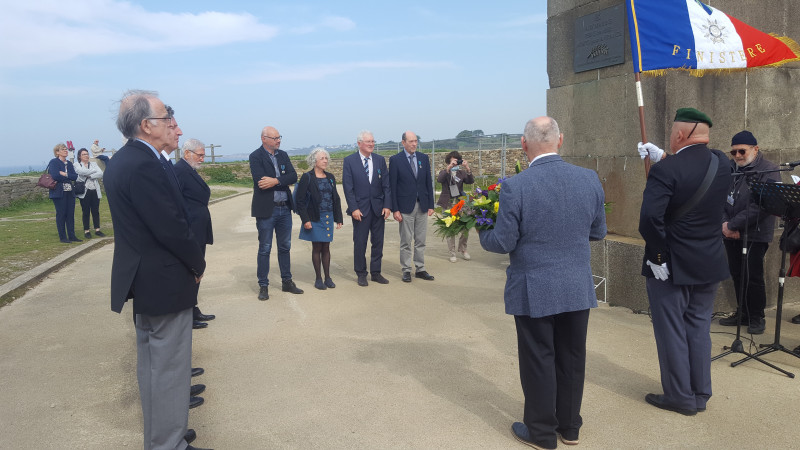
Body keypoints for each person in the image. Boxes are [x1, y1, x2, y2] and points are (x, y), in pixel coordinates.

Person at [479, 117, 606, 449]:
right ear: (560, 140)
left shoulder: (516, 186)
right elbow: (598, 231)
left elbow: (503, 242)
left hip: (534, 286)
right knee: (572, 357)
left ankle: (541, 432)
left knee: (539, 359)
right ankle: (570, 427)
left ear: (524, 144)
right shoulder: (588, 178)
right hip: (577, 284)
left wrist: (482, 232)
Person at [103, 90, 209, 450]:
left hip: (146, 280)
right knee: (167, 370)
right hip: (164, 279)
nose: (172, 124)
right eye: (166, 118)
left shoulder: (123, 160)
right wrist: (197, 263)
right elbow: (170, 226)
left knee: (153, 370)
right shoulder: (145, 163)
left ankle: (165, 434)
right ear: (146, 125)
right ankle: (168, 443)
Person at [637, 107, 732, 416]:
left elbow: (651, 219)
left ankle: (679, 397)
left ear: (678, 135)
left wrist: (658, 256)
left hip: (672, 265)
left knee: (672, 331)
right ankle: (700, 393)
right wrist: (666, 155)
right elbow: (694, 169)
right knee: (698, 328)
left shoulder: (666, 171)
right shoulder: (723, 164)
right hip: (709, 262)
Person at [718, 131, 779, 335]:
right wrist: (726, 225)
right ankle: (742, 312)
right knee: (737, 273)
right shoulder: (729, 168)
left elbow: (762, 206)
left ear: (755, 149)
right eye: (733, 151)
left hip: (755, 233)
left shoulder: (768, 170)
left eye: (741, 151)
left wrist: (734, 225)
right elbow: (720, 199)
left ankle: (756, 316)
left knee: (753, 275)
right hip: (730, 231)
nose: (737, 155)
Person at [249, 126, 303, 300]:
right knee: (265, 248)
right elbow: (261, 181)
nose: (278, 140)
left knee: (285, 246)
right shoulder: (255, 157)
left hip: (284, 208)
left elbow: (293, 176)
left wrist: (275, 180)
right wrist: (280, 180)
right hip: (267, 210)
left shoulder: (283, 155)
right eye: (275, 138)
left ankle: (287, 281)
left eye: (279, 137)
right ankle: (263, 285)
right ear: (264, 139)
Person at [174, 139, 216, 327]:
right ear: (187, 153)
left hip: (199, 227)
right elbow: (177, 202)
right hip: (191, 228)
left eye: (203, 155)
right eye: (199, 155)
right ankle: (186, 314)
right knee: (192, 271)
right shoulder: (180, 171)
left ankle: (193, 308)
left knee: (198, 269)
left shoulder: (189, 170)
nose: (202, 159)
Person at [341, 130, 392, 286]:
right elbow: (348, 188)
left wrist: (387, 205)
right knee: (360, 242)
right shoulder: (350, 161)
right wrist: (354, 208)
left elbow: (386, 185)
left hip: (378, 209)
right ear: (359, 143)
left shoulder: (379, 160)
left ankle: (376, 273)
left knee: (378, 242)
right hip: (360, 210)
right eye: (368, 142)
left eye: (373, 141)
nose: (371, 144)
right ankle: (361, 273)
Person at [389, 131, 435, 282]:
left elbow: (428, 182)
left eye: (416, 141)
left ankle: (420, 269)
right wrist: (395, 209)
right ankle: (406, 270)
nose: (414, 144)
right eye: (411, 141)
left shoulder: (423, 158)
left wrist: (431, 204)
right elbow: (393, 187)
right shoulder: (396, 160)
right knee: (406, 241)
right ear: (403, 143)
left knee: (421, 240)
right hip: (405, 207)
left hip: (422, 205)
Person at [295, 148, 344, 290]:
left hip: (328, 216)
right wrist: (306, 220)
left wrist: (338, 218)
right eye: (322, 158)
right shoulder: (307, 177)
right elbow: (300, 200)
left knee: (326, 247)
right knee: (317, 247)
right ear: (314, 161)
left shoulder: (330, 177)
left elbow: (336, 198)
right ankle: (318, 278)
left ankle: (328, 277)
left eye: (326, 158)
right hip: (314, 217)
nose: (325, 161)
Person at [436, 151, 475, 263]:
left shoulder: (461, 173)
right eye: (452, 160)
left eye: (456, 161)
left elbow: (470, 181)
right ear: (448, 161)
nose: (455, 163)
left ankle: (463, 249)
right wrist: (449, 168)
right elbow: (439, 179)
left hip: (459, 203)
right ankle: (452, 252)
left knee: (465, 227)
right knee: (449, 229)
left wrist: (467, 168)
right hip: (447, 203)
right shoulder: (445, 172)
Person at [47, 142, 80, 244]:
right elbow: (55, 176)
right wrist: (67, 176)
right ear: (57, 152)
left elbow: (75, 177)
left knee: (70, 214)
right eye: (63, 149)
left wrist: (64, 173)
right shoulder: (54, 162)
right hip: (58, 193)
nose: (66, 151)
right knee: (61, 214)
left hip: (70, 192)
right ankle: (63, 237)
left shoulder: (69, 164)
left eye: (66, 149)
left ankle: (72, 235)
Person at [74, 148, 106, 239]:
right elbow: (80, 172)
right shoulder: (77, 164)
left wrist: (90, 175)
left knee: (95, 210)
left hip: (94, 190)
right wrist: (93, 171)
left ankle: (97, 229)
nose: (86, 156)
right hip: (85, 191)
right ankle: (86, 230)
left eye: (87, 154)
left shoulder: (93, 164)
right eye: (84, 154)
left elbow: (100, 173)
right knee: (86, 211)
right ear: (79, 156)